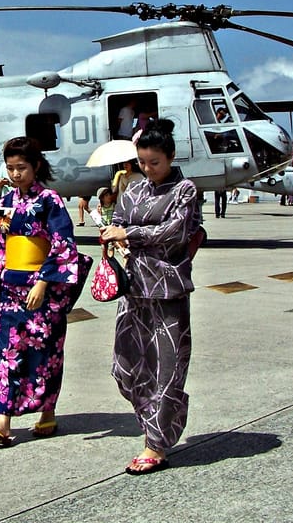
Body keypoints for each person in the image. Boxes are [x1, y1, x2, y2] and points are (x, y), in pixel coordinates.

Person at [101, 118, 203, 476]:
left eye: (154, 162)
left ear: (171, 156)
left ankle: (155, 444)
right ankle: (152, 427)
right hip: (133, 288)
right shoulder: (132, 191)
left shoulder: (186, 190)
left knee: (166, 369)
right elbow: (119, 224)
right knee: (125, 367)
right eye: (142, 162)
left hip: (167, 290)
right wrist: (115, 234)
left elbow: (174, 232)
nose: (146, 169)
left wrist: (129, 233)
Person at [0, 137, 88, 446]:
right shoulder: (6, 201)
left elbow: (63, 242)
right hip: (10, 288)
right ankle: (2, 421)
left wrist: (44, 281)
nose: (15, 174)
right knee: (7, 353)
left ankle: (47, 411)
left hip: (42, 289)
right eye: (10, 168)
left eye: (21, 167)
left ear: (36, 166)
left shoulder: (50, 199)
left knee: (45, 352)